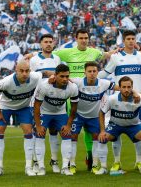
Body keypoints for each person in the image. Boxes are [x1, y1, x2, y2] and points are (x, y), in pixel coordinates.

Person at [27, 28, 117, 170]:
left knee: (90, 129)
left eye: (86, 38)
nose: (83, 40)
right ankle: (57, 162)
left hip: (88, 92)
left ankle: (89, 156)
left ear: (89, 39)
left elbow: (105, 55)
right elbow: (50, 52)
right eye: (81, 38)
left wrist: (112, 53)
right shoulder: (66, 52)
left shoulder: (94, 52)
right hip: (68, 94)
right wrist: (32, 54)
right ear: (76, 39)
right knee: (64, 130)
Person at [98, 30, 141, 172]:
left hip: (137, 101)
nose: (131, 41)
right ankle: (117, 162)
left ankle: (138, 162)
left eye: (133, 38)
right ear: (123, 41)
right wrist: (87, 78)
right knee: (114, 130)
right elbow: (105, 73)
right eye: (128, 38)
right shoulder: (116, 57)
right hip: (119, 99)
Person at [0, 60, 42, 176]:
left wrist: (53, 75)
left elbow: (44, 73)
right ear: (16, 71)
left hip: (23, 107)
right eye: (21, 71)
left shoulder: (35, 77)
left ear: (30, 71)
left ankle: (28, 167)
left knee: (28, 131)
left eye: (27, 71)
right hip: (5, 106)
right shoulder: (6, 82)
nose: (24, 74)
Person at [96, 76, 141, 175]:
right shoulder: (112, 99)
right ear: (120, 88)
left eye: (129, 87)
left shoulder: (139, 98)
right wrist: (102, 131)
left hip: (133, 126)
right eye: (124, 87)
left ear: (132, 87)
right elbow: (101, 113)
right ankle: (104, 167)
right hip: (115, 125)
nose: (126, 90)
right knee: (102, 138)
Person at [69, 61, 116, 174]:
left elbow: (120, 88)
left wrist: (134, 93)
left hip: (94, 117)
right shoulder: (77, 82)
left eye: (94, 71)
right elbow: (63, 79)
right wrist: (51, 77)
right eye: (89, 71)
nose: (92, 73)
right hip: (78, 115)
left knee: (96, 137)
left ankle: (95, 165)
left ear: (97, 72)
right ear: (84, 72)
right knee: (73, 137)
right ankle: (72, 165)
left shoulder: (103, 83)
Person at [34, 64, 79, 176]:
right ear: (55, 75)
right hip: (44, 112)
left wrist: (68, 125)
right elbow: (36, 106)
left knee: (67, 135)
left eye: (67, 76)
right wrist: (38, 126)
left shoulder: (72, 87)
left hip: (60, 113)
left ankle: (64, 167)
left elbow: (74, 109)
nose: (65, 79)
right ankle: (41, 167)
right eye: (62, 76)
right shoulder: (45, 86)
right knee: (40, 134)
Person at [30, 34, 61, 174]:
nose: (48, 44)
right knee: (38, 132)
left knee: (54, 132)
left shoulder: (57, 59)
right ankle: (37, 162)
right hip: (38, 101)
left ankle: (54, 161)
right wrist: (46, 73)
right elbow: (30, 78)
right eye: (45, 42)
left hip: (55, 101)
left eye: (50, 42)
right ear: (41, 44)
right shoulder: (34, 60)